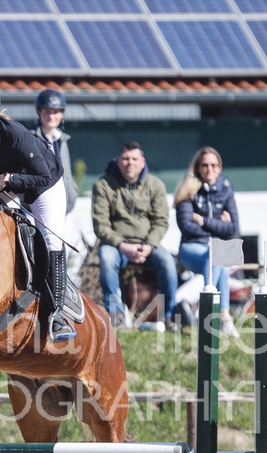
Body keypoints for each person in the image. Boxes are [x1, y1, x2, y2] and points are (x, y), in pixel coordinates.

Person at [0, 82, 75, 342]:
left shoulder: (14, 134)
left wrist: (8, 180)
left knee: (51, 239)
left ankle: (57, 315)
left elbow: (41, 176)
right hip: (3, 185)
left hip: (44, 185)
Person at [91, 142, 178, 330]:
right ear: (119, 161)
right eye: (126, 158)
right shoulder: (104, 184)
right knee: (106, 259)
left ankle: (169, 316)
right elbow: (101, 225)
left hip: (148, 245)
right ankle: (116, 317)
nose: (130, 163)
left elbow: (161, 221)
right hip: (116, 245)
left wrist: (149, 245)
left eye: (134, 159)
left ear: (142, 161)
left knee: (168, 263)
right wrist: (122, 245)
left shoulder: (155, 185)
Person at [174, 146, 240, 338]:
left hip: (215, 250)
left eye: (213, 165)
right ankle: (220, 317)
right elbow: (186, 227)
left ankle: (210, 312)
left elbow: (234, 227)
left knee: (217, 259)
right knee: (216, 257)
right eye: (204, 165)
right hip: (190, 248)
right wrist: (219, 225)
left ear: (219, 167)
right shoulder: (188, 190)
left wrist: (203, 221)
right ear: (198, 168)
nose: (209, 169)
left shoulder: (226, 189)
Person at [29, 88, 91, 282]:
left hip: (66, 207)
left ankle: (63, 296)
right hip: (40, 207)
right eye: (47, 111)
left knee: (65, 256)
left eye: (55, 111)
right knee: (41, 254)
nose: (51, 115)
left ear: (62, 114)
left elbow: (67, 173)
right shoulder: (30, 137)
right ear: (39, 112)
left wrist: (71, 195)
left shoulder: (62, 139)